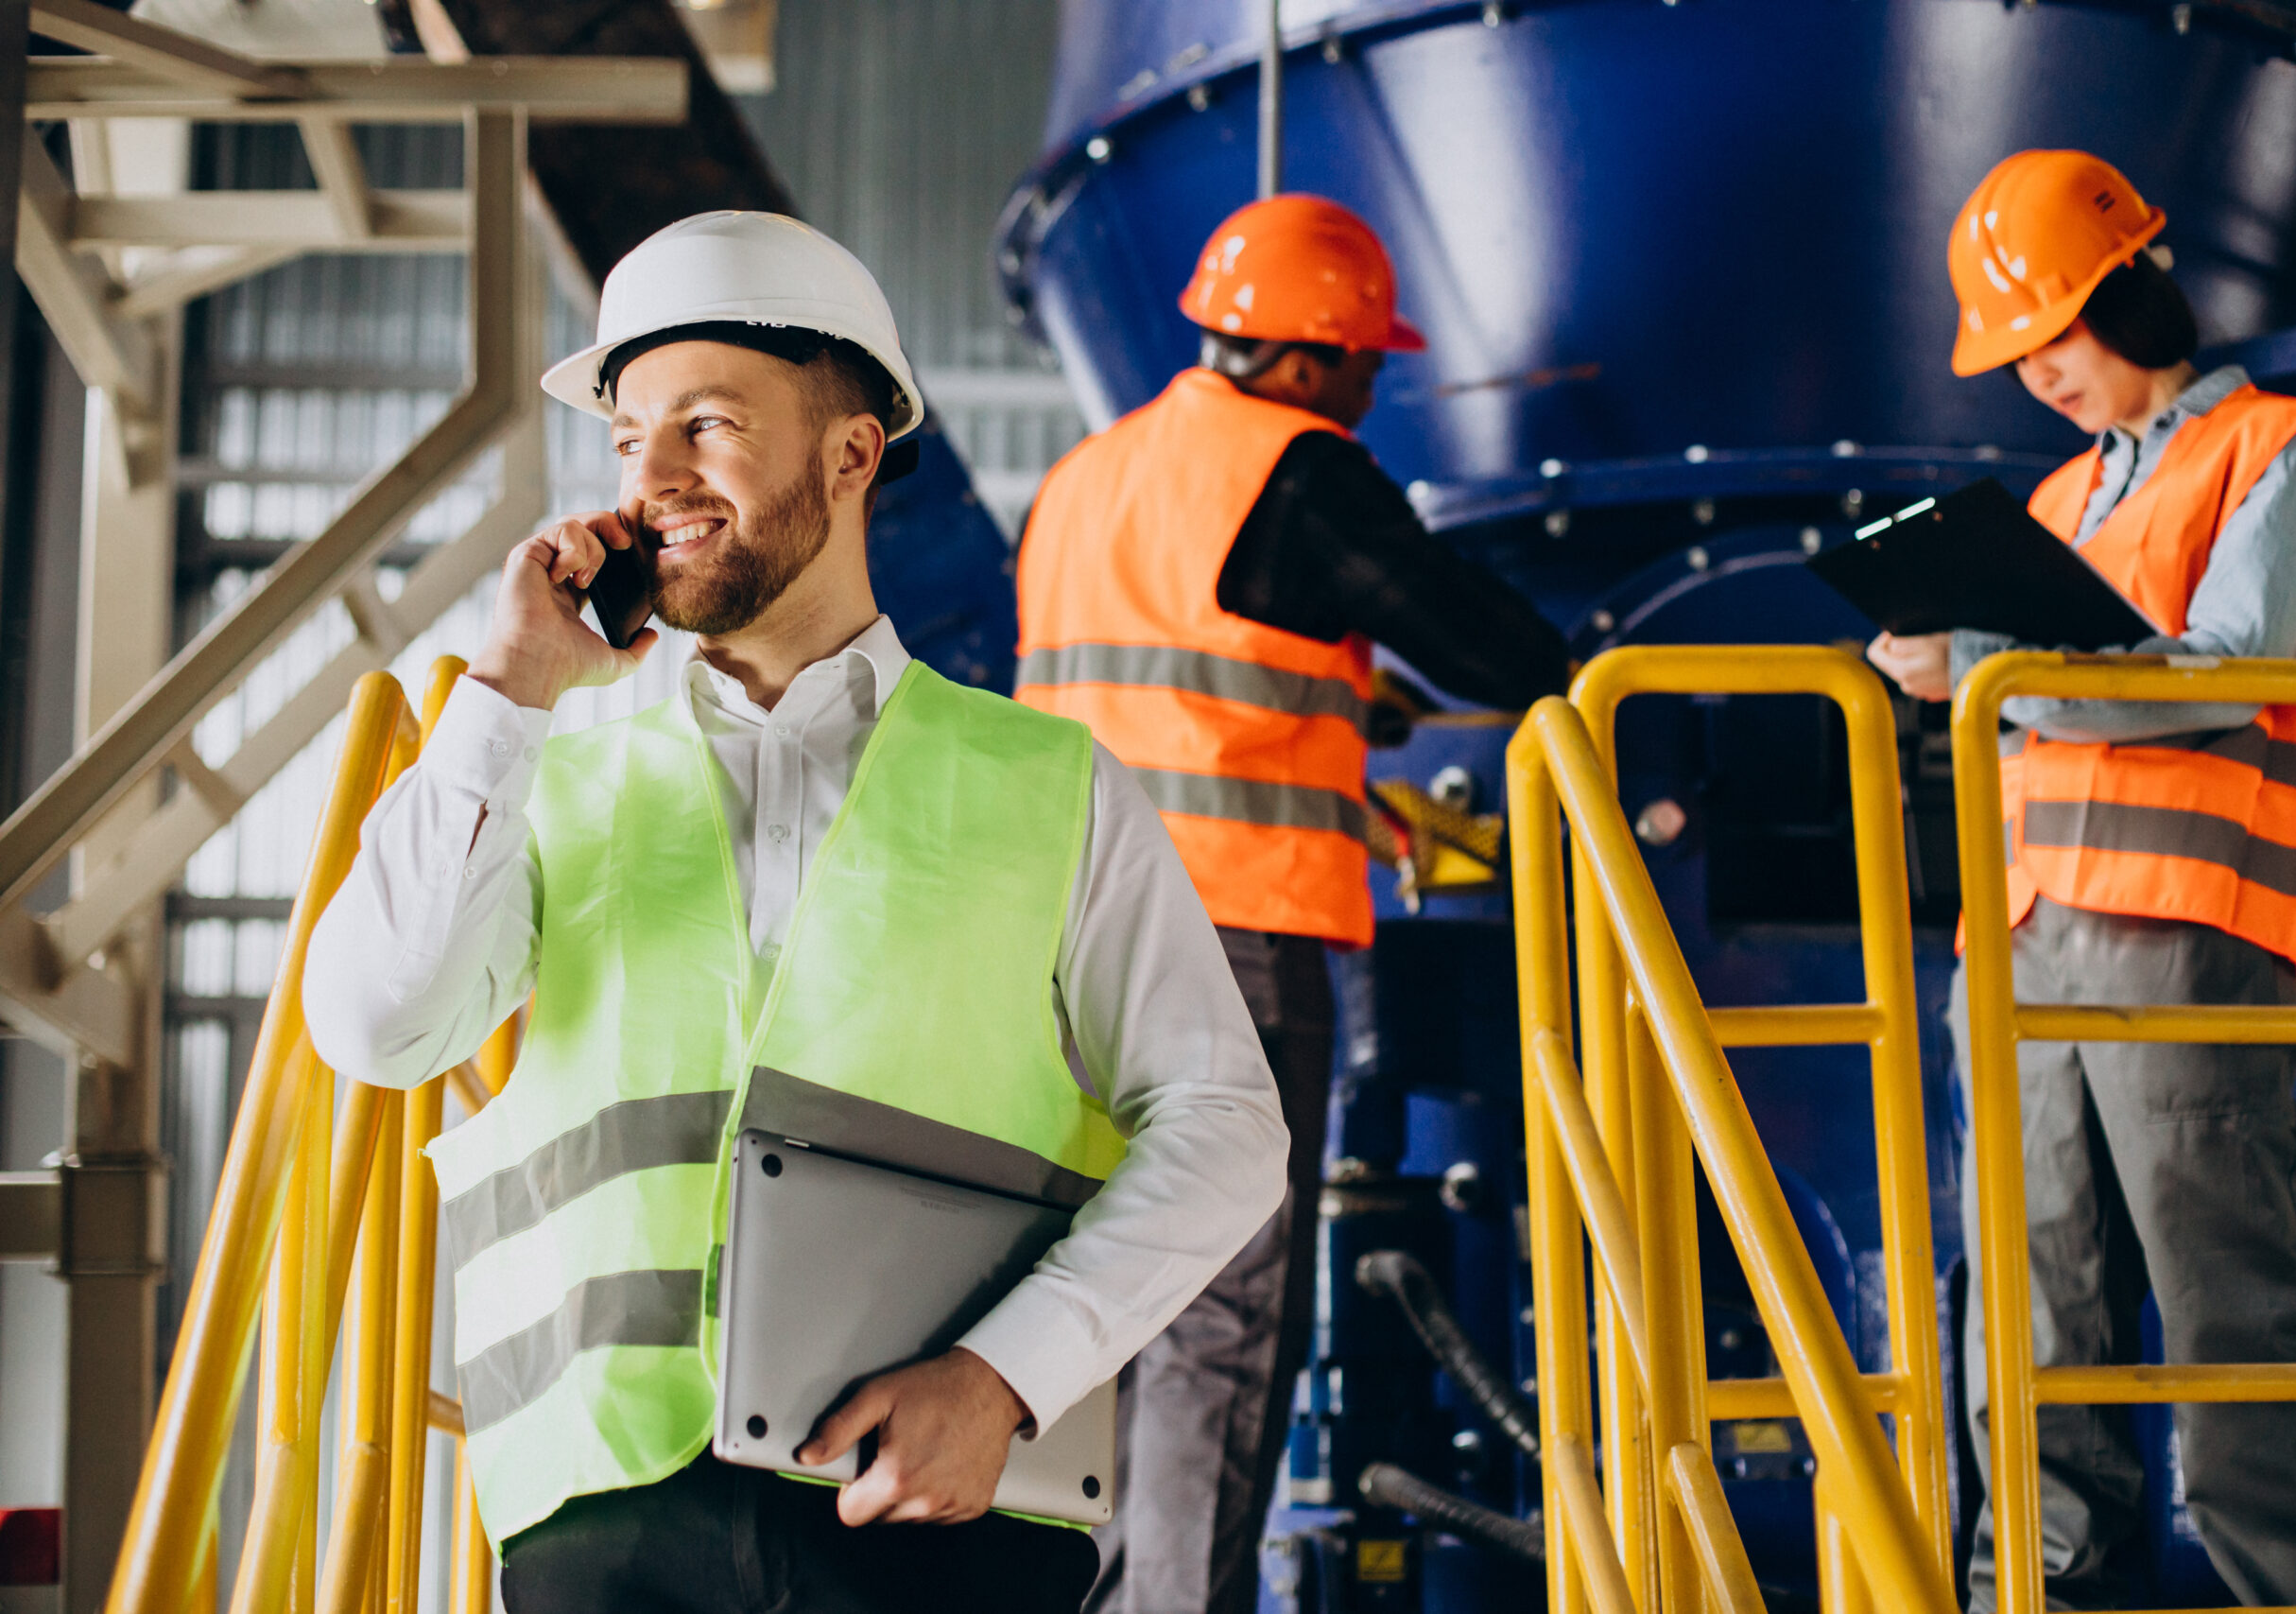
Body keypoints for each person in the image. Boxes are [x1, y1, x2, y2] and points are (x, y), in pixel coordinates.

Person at [301, 211, 1290, 1614]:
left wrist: (1009, 1378)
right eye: (630, 435)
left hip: (942, 1508)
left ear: (850, 453)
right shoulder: (538, 771)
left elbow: (1227, 1126)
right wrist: (508, 693)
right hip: (603, 1518)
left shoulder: (1048, 787)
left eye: (707, 425)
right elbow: (377, 1026)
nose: (651, 478)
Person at [1013, 193, 1572, 1614]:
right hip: (1234, 946)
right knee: (1224, 1314)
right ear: (1315, 355)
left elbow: (1185, 673)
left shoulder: (1089, 475)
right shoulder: (1303, 472)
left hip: (1061, 957)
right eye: (1369, 363)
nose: (1377, 391)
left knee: (1099, 1307)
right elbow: (1494, 645)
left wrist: (1344, 699)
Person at [1867, 150, 2296, 1610]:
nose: (2039, 375)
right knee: (2033, 1315)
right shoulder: (2049, 501)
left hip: (2182, 935)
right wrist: (1927, 658)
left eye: (2059, 334)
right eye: (2017, 352)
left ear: (2138, 288)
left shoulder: (2279, 451)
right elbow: (2031, 691)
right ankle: (2038, 1592)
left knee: (2232, 1303)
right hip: (2022, 930)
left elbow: (2230, 673)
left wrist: (1983, 668)